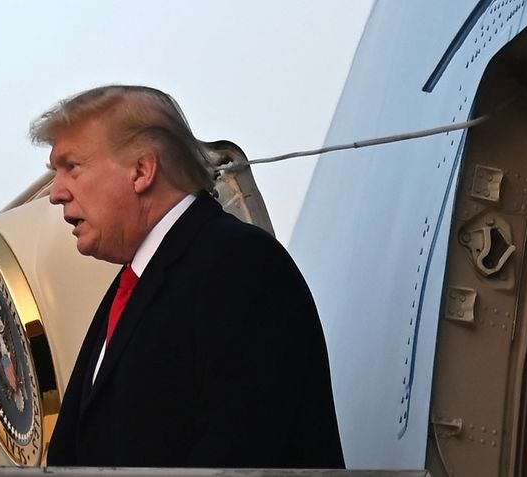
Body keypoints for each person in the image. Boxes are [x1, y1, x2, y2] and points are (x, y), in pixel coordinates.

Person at [31, 85, 344, 468]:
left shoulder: (241, 263)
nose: (56, 193)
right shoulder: (130, 288)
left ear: (142, 171)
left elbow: (242, 451)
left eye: (72, 167)